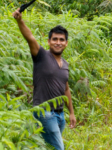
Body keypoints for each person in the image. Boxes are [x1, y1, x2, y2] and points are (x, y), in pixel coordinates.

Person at [12, 9, 76, 150]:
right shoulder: (41, 55)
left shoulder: (65, 64)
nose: (58, 42)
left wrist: (71, 113)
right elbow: (30, 38)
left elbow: (66, 89)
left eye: (61, 40)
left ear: (66, 43)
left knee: (47, 147)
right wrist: (20, 20)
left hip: (60, 115)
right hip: (44, 113)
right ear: (48, 41)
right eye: (55, 39)